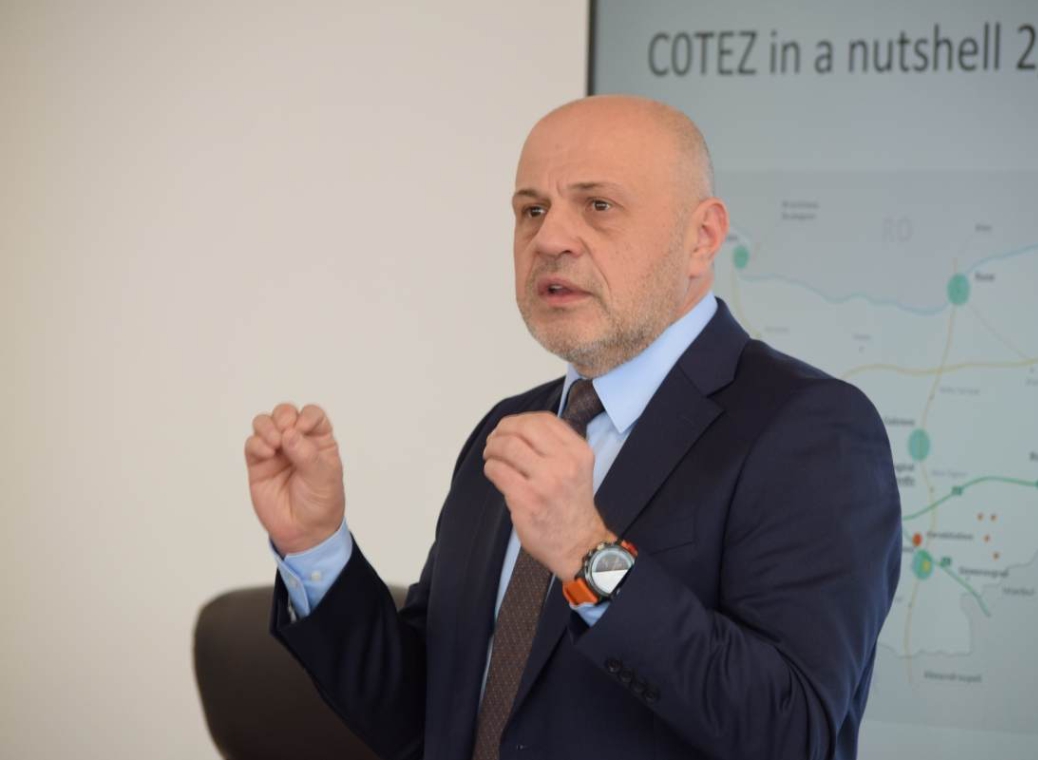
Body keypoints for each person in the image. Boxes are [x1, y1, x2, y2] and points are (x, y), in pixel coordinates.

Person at [244, 95, 901, 760]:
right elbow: (425, 716)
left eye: (598, 205)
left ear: (701, 238)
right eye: (532, 210)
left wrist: (592, 559)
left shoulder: (811, 429)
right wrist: (317, 548)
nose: (550, 239)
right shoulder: (509, 428)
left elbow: (794, 733)